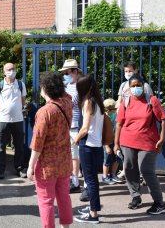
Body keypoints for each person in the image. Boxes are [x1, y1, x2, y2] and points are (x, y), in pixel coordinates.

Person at [114, 74, 165, 215]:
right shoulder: (126, 101)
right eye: (133, 86)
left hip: (148, 142)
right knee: (129, 168)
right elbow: (119, 124)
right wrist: (116, 144)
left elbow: (163, 119)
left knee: (146, 170)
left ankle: (159, 203)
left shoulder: (152, 100)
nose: (136, 88)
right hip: (127, 141)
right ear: (129, 88)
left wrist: (162, 138)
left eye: (138, 85)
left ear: (143, 85)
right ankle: (135, 197)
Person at [27, 72, 73, 228]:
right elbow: (67, 94)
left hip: (47, 164)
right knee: (64, 197)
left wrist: (30, 165)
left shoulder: (44, 112)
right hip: (65, 161)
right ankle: (65, 226)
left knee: (46, 200)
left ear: (45, 89)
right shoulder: (67, 102)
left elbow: (37, 142)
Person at [73, 74, 104, 224]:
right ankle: (94, 207)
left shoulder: (88, 102)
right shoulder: (98, 101)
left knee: (90, 180)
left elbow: (85, 128)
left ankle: (93, 215)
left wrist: (75, 139)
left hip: (88, 145)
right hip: (96, 144)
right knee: (92, 180)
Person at [0, 63, 27, 179]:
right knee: (1, 145)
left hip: (18, 119)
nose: (11, 71)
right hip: (2, 119)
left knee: (19, 145)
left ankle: (20, 168)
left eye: (13, 69)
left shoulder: (21, 85)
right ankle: (0, 170)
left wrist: (16, 110)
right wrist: (1, 111)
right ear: (4, 72)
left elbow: (23, 100)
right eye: (8, 69)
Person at [59, 58, 83, 193]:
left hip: (75, 126)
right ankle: (71, 179)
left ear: (75, 71)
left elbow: (71, 103)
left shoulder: (80, 86)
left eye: (67, 72)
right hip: (66, 125)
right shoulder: (66, 86)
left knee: (75, 155)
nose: (65, 75)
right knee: (69, 155)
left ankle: (75, 182)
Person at [101, 98, 122, 185]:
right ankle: (105, 176)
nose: (115, 110)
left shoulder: (115, 114)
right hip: (107, 142)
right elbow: (103, 133)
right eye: (114, 109)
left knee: (117, 158)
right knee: (107, 160)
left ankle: (113, 174)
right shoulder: (103, 117)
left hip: (115, 140)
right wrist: (107, 146)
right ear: (107, 109)